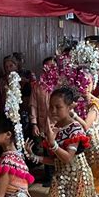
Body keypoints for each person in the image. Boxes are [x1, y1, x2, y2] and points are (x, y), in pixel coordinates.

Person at [26, 87, 95, 197]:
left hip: (77, 176)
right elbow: (55, 160)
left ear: (70, 107)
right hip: (60, 177)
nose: (54, 111)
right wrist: (34, 156)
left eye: (58, 107)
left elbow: (67, 158)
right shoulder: (54, 128)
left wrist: (52, 142)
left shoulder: (75, 128)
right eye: (51, 107)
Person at [29, 57, 57, 187]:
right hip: (42, 123)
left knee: (57, 148)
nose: (49, 69)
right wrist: (34, 123)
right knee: (45, 149)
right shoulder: (38, 86)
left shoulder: (60, 83)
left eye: (52, 66)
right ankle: (48, 176)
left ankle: (57, 176)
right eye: (47, 67)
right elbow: (33, 105)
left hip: (57, 124)